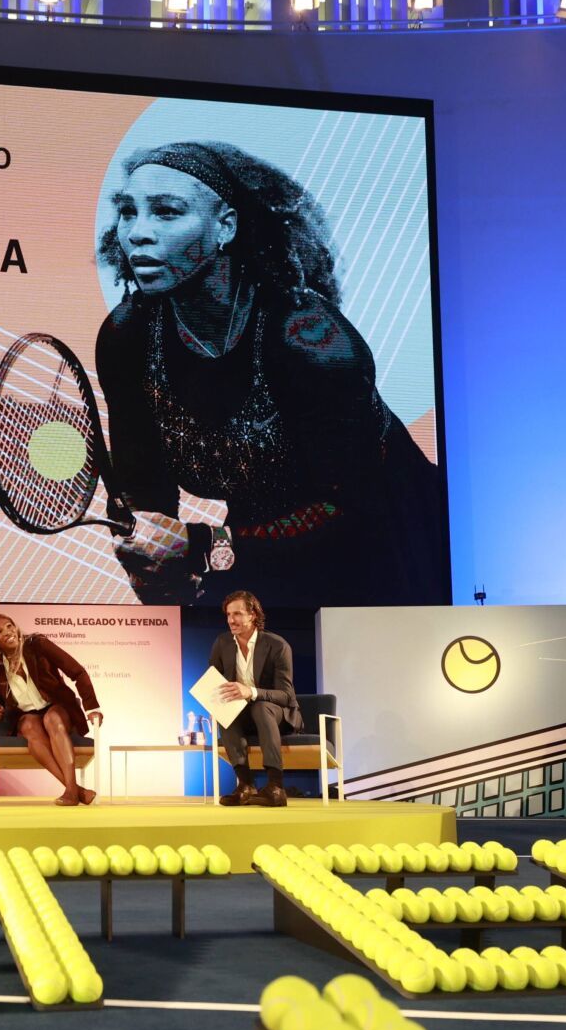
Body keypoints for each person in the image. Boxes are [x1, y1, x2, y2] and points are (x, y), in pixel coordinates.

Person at [94, 141, 448, 607]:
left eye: (166, 212)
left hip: (390, 547)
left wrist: (200, 547)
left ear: (226, 226)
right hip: (257, 546)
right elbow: (145, 495)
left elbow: (350, 511)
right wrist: (151, 557)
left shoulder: (310, 342)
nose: (137, 233)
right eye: (127, 211)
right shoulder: (128, 337)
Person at [0, 614, 103, 806]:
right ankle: (76, 791)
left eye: (10, 626)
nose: (8, 632)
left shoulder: (37, 645)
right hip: (27, 715)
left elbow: (77, 671)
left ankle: (71, 791)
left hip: (57, 706)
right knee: (28, 726)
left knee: (52, 719)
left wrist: (92, 707)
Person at [206, 590, 301, 807]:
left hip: (277, 714)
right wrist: (213, 700)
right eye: (229, 615)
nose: (232, 620)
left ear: (253, 615)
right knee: (224, 711)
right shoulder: (222, 643)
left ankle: (276, 786)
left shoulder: (277, 645)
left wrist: (252, 691)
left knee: (261, 707)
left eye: (238, 614)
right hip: (242, 715)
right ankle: (245, 785)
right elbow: (213, 681)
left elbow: (286, 696)